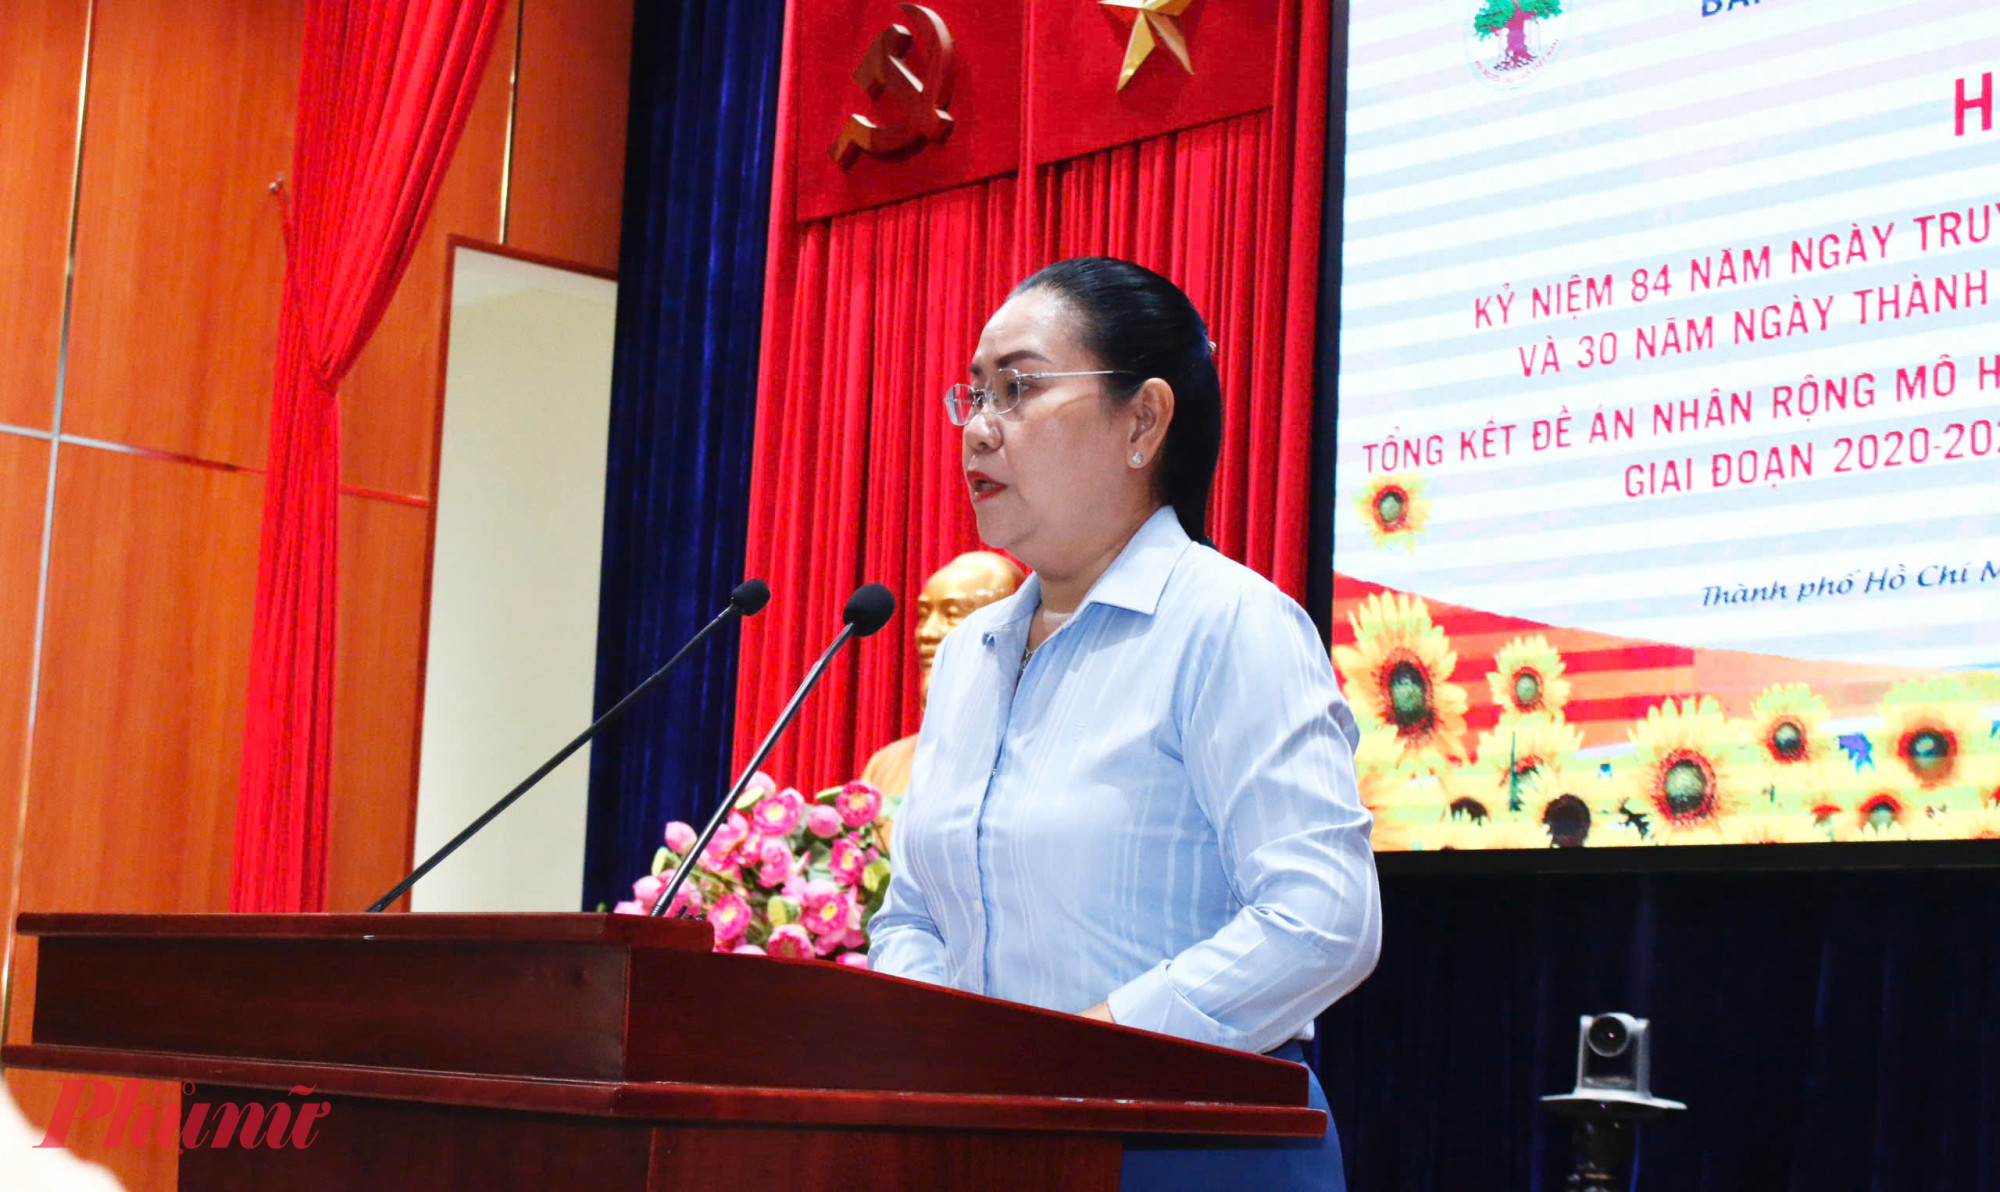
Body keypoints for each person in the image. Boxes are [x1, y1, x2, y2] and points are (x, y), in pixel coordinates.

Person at [868, 257, 1381, 1190]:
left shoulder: (1230, 625)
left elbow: (1324, 918)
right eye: (973, 395)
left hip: (1191, 1147)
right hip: (988, 1144)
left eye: (1018, 389)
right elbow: (913, 915)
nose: (978, 427)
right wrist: (947, 1057)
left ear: (1142, 420)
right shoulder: (974, 653)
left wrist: (1091, 1051)